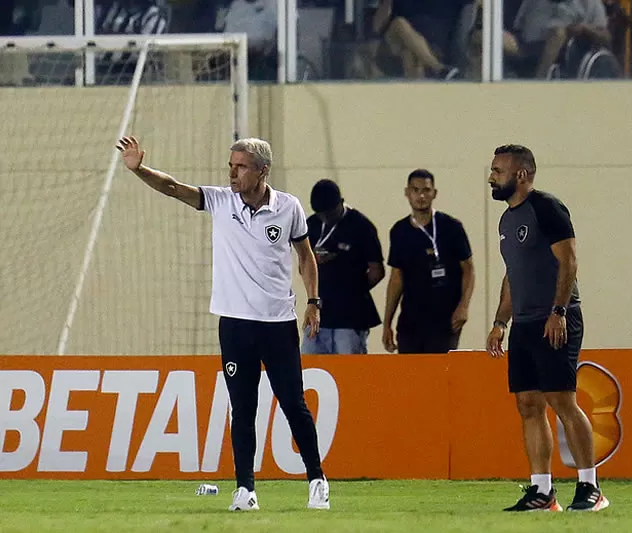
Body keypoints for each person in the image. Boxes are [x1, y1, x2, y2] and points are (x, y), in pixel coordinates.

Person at [115, 135, 330, 512]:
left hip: (277, 323)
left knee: (293, 404)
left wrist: (313, 302)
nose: (232, 173)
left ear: (263, 170)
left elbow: (306, 258)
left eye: (240, 166)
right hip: (234, 325)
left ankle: (317, 480)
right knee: (242, 409)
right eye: (230, 166)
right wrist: (139, 169)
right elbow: (173, 188)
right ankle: (245, 490)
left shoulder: (289, 207)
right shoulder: (220, 200)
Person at [486, 144, 609, 512]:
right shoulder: (507, 220)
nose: (491, 176)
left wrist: (559, 310)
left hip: (555, 318)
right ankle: (542, 491)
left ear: (521, 175)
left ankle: (591, 487)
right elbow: (513, 275)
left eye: (498, 170)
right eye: (492, 170)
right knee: (527, 404)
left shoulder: (547, 208)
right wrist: (499, 322)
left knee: (562, 400)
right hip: (523, 323)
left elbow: (569, 261)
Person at [383, 169, 475, 354]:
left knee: (438, 375)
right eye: (415, 190)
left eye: (426, 190)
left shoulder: (451, 227)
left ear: (434, 193)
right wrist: (387, 323)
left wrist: (463, 306)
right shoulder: (399, 231)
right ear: (407, 192)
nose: (421, 195)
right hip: (411, 319)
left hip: (444, 318)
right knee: (411, 376)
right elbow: (396, 278)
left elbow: (468, 269)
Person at [302, 179, 385, 354]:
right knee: (309, 365)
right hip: (319, 311)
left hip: (350, 315)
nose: (326, 218)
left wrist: (352, 290)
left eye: (330, 213)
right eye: (321, 214)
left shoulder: (361, 226)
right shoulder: (312, 225)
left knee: (348, 368)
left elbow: (377, 270)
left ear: (341, 203)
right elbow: (304, 263)